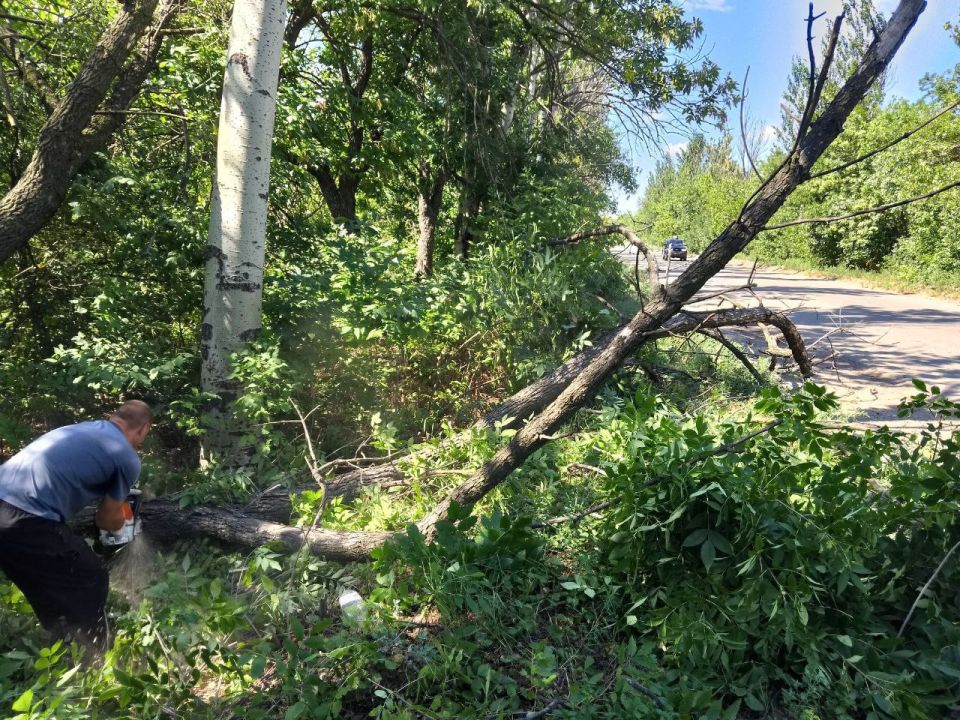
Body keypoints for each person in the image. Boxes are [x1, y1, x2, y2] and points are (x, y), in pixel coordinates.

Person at [0, 401, 152, 653]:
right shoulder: (126, 456)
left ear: (115, 417)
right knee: (90, 578)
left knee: (47, 581)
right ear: (144, 428)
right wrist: (123, 525)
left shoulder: (80, 430)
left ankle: (60, 643)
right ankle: (90, 661)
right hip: (25, 518)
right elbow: (106, 520)